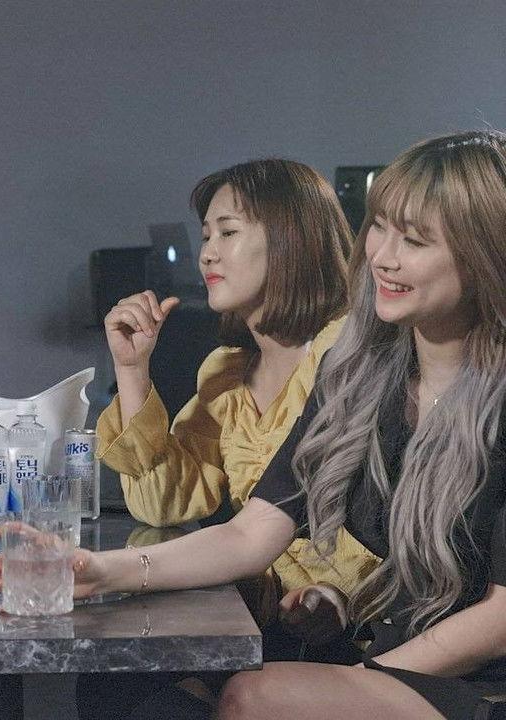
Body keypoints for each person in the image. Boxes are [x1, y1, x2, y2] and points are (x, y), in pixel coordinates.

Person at [28, 130, 506, 719]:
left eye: (414, 240)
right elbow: (251, 532)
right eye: (379, 228)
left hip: (475, 680)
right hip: (376, 651)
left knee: (257, 695)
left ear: (485, 256)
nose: (382, 256)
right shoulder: (358, 374)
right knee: (136, 690)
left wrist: (355, 679)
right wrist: (103, 571)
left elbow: (500, 618)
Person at [98, 159, 379, 639]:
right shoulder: (227, 372)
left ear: (293, 240)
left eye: (228, 233)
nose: (207, 254)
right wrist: (131, 369)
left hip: (367, 625)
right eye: (206, 236)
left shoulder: (347, 349)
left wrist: (338, 594)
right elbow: (162, 504)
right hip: (264, 618)